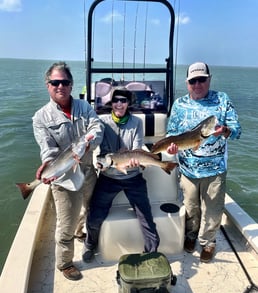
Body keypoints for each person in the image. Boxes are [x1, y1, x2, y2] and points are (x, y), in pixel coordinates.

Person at [33, 61, 104, 280]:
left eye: (64, 82)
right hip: (63, 177)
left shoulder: (84, 107)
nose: (60, 86)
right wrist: (48, 164)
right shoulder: (40, 118)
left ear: (72, 85)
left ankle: (80, 231)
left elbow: (97, 128)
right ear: (48, 85)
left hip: (88, 170)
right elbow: (47, 149)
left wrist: (89, 142)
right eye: (55, 82)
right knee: (66, 222)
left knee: (89, 208)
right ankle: (64, 263)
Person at [166, 62, 241, 263]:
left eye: (202, 79)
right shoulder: (179, 104)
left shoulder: (222, 100)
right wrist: (171, 147)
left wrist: (225, 130)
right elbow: (171, 133)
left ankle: (208, 242)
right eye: (193, 81)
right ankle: (191, 236)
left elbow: (237, 130)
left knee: (213, 209)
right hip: (188, 169)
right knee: (190, 207)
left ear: (209, 79)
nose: (197, 84)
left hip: (215, 169)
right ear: (187, 83)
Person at [82, 88, 160, 262]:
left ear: (128, 103)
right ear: (111, 102)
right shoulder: (102, 121)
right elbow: (95, 143)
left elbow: (137, 147)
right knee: (95, 215)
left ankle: (152, 252)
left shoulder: (137, 122)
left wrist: (135, 161)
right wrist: (97, 160)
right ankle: (89, 243)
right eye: (116, 100)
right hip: (108, 177)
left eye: (123, 101)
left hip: (133, 177)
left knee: (146, 217)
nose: (119, 104)